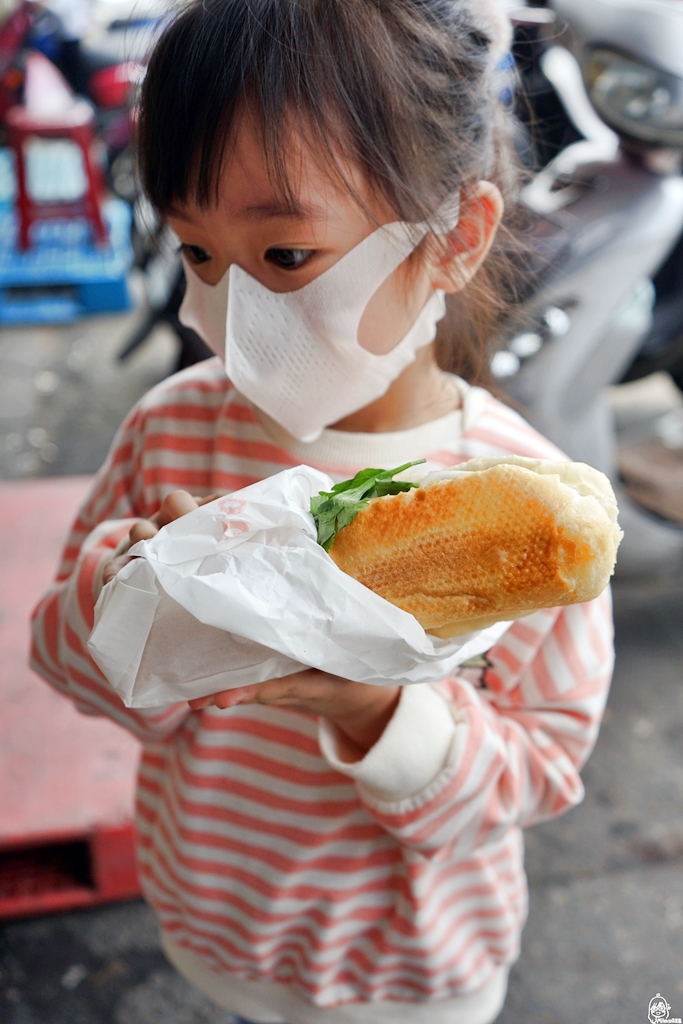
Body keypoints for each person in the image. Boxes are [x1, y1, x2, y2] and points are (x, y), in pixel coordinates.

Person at [30, 2, 615, 1022]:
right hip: (213, 933)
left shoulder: (530, 513)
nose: (226, 308)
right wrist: (138, 602)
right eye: (197, 254)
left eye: (285, 257)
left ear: (454, 239)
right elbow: (67, 658)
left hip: (410, 975)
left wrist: (374, 705)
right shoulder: (172, 433)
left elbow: (535, 770)